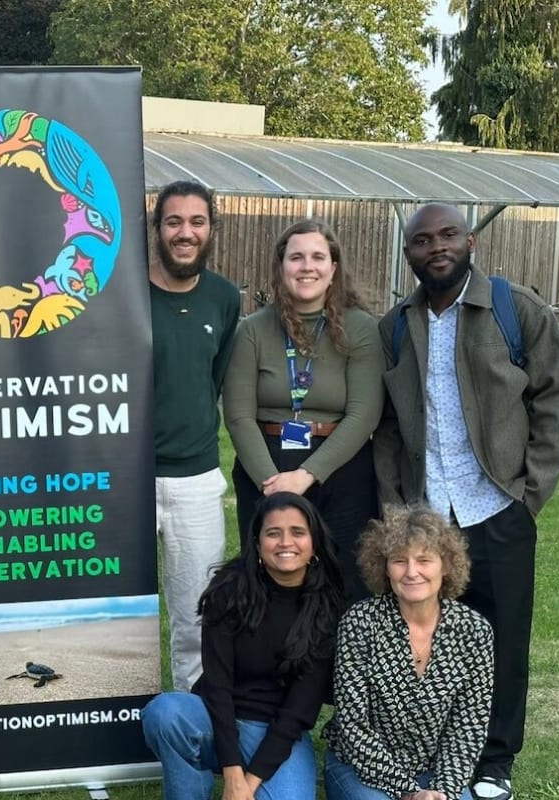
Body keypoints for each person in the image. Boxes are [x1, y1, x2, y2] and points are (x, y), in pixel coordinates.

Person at [374, 203, 559, 800]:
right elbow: (386, 426)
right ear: (408, 254)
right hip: (426, 518)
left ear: (471, 243)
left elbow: (554, 400)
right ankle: (432, 746)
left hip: (497, 508)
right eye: (422, 240)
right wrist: (395, 509)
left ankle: (494, 760)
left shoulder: (516, 312)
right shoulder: (395, 327)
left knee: (504, 641)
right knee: (429, 640)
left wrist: (528, 495)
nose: (436, 246)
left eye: (448, 235)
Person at [142, 492, 347, 800]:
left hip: (278, 731)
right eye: (273, 533)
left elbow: (298, 710)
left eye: (297, 532)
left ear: (314, 542)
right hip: (215, 716)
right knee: (165, 713)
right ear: (257, 543)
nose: (285, 542)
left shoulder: (327, 607)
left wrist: (247, 785)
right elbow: (218, 686)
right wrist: (232, 772)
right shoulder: (229, 591)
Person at [223, 218, 383, 601]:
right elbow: (238, 414)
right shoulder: (253, 330)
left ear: (333, 269)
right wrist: (273, 486)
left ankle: (340, 662)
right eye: (296, 257)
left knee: (343, 584)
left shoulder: (361, 329)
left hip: (340, 472)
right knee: (269, 582)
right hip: (266, 468)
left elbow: (364, 413)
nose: (306, 266)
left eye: (317, 257)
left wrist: (307, 476)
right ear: (282, 268)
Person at [323, 505, 495, 800]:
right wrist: (407, 792)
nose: (411, 572)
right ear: (384, 567)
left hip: (435, 771)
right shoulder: (360, 622)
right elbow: (354, 725)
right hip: (361, 767)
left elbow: (468, 726)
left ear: (445, 565)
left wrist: (443, 790)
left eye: (424, 560)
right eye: (399, 561)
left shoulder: (474, 631)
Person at [149, 180, 242, 692]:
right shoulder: (122, 293)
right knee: (124, 610)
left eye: (197, 222)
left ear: (211, 230)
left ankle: (191, 718)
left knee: (197, 614)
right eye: (174, 222)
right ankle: (116, 723)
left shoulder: (225, 299)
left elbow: (214, 381)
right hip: (125, 478)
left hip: (196, 480)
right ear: (157, 228)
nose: (185, 233)